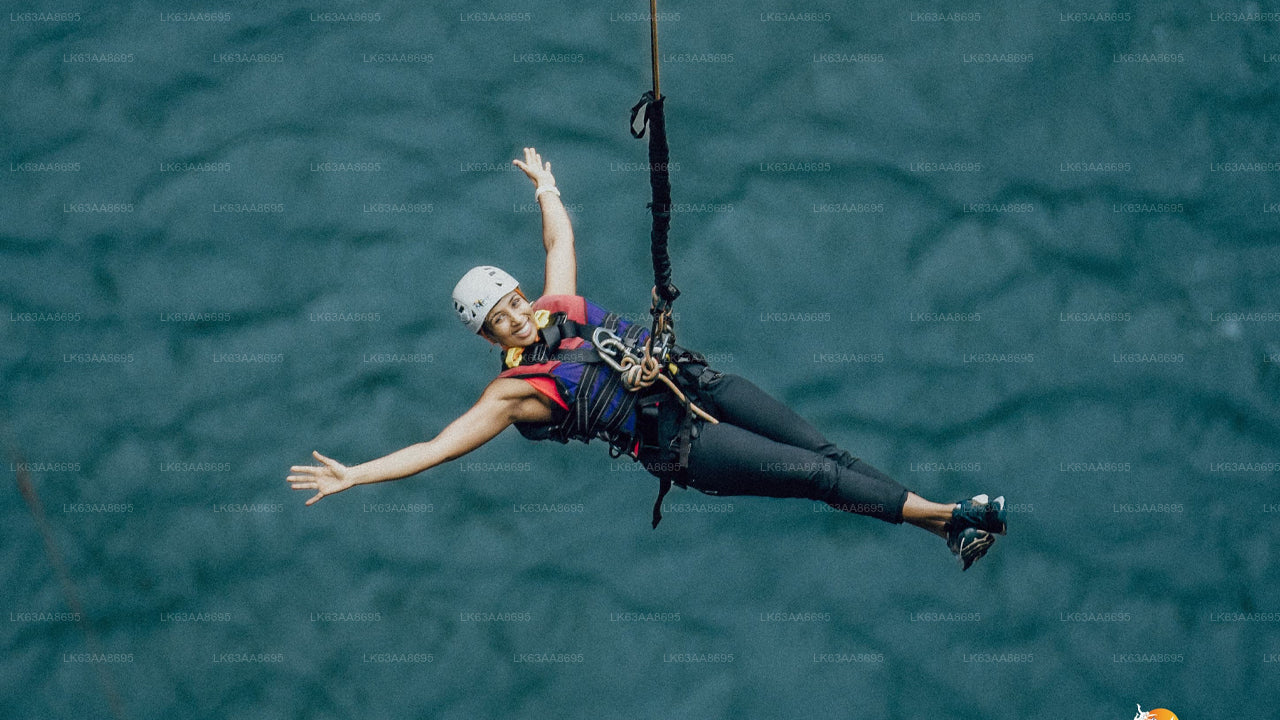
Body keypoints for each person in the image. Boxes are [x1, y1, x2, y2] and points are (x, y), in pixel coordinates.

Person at [287, 147, 1008, 570]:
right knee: (818, 478)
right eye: (498, 316)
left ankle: (946, 528)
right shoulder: (512, 393)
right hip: (684, 445)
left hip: (697, 381)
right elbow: (439, 447)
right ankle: (956, 510)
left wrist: (548, 189)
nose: (515, 311)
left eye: (510, 297)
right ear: (486, 336)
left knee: (828, 452)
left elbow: (558, 246)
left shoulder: (556, 307)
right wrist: (358, 473)